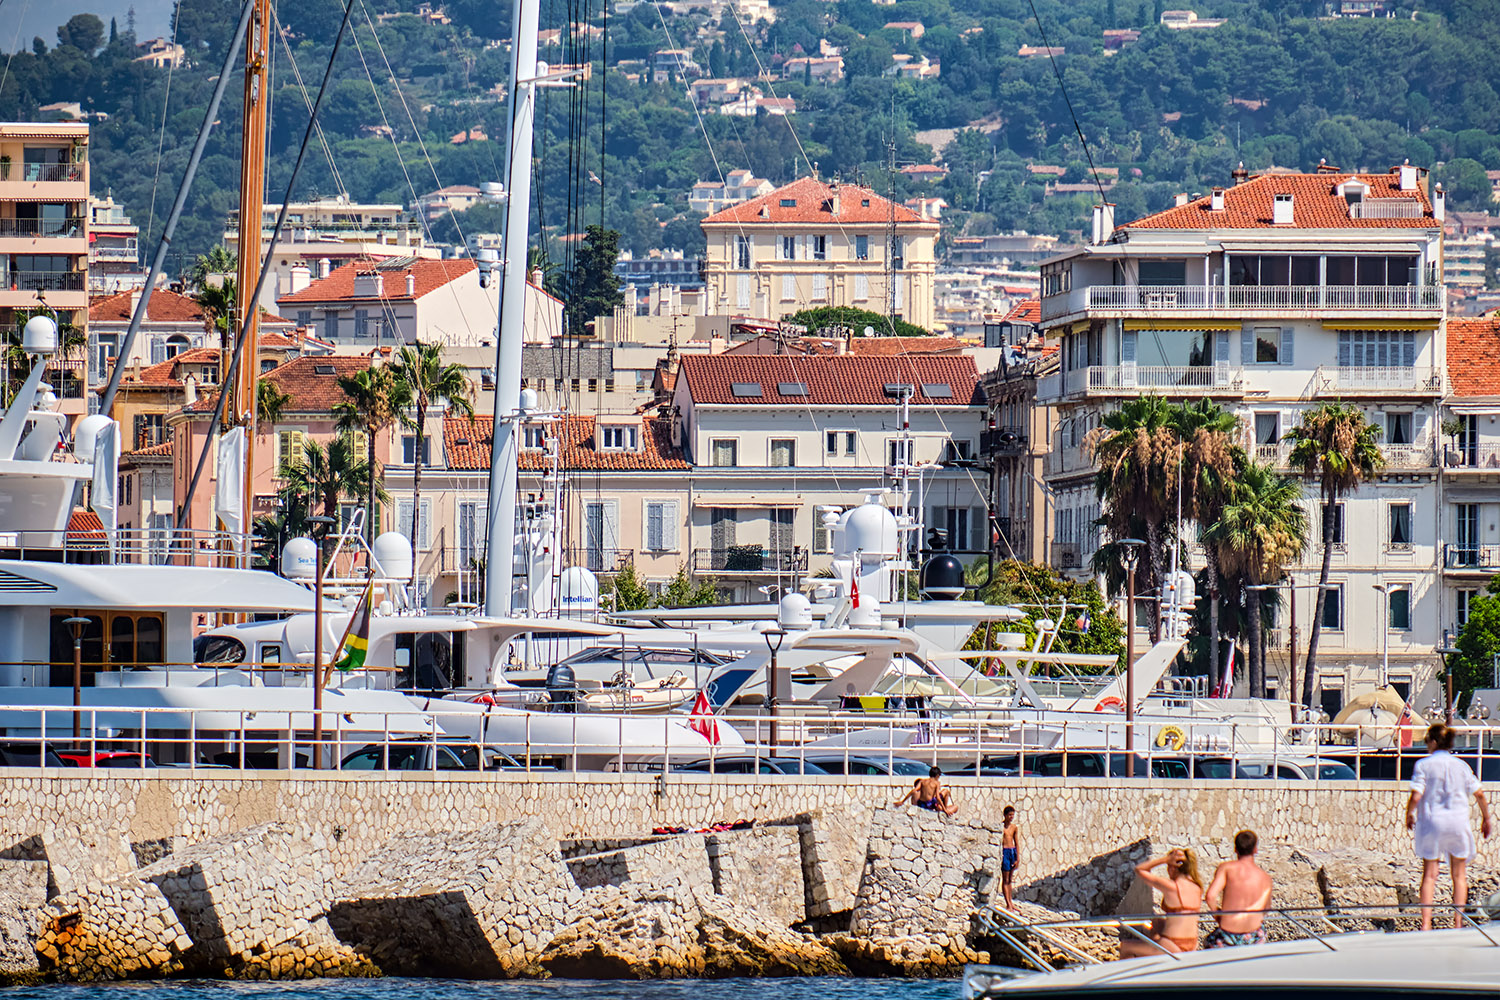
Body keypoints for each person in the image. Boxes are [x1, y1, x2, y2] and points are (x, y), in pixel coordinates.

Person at [1406, 722, 1493, 930]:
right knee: (1459, 875)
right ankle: (1458, 923)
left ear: (1434, 742)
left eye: (1428, 740)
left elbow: (1417, 795)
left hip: (1432, 822)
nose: (1427, 744)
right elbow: (1479, 793)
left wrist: (1409, 813)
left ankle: (1426, 924)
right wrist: (1486, 818)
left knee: (1429, 874)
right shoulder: (1461, 765)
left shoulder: (1424, 765)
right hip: (1457, 822)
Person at [1120, 848, 1204, 957]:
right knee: (1156, 924)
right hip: (1192, 943)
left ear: (1173, 868)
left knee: (1126, 946)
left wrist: (1165, 860)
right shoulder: (1197, 887)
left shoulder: (1171, 886)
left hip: (1172, 943)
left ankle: (1132, 974)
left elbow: (1139, 869)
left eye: (1168, 867)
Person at [1203, 829, 1273, 948]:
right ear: (1255, 850)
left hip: (1227, 934)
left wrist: (1218, 916)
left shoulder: (1227, 868)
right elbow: (1266, 909)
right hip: (1253, 935)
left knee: (1207, 943)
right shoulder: (1265, 877)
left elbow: (1210, 896)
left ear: (1235, 849)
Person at [1000, 805, 1022, 909]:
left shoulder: (1014, 828)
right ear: (1005, 815)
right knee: (1005, 878)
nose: (1011, 817)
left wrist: (1018, 858)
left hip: (1012, 851)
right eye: (1009, 815)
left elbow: (1016, 842)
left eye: (1012, 815)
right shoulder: (1001, 827)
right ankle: (1008, 903)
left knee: (1010, 879)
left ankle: (1010, 902)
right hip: (1005, 851)